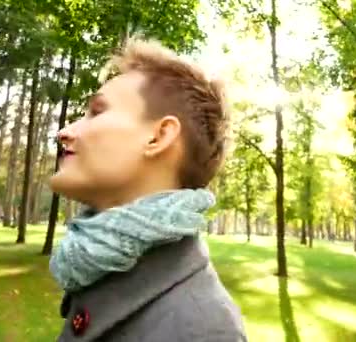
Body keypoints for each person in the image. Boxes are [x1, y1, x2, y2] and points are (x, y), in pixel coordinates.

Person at [48, 37, 246, 341]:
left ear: (158, 137)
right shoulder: (94, 269)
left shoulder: (203, 328)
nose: (64, 132)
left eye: (97, 112)